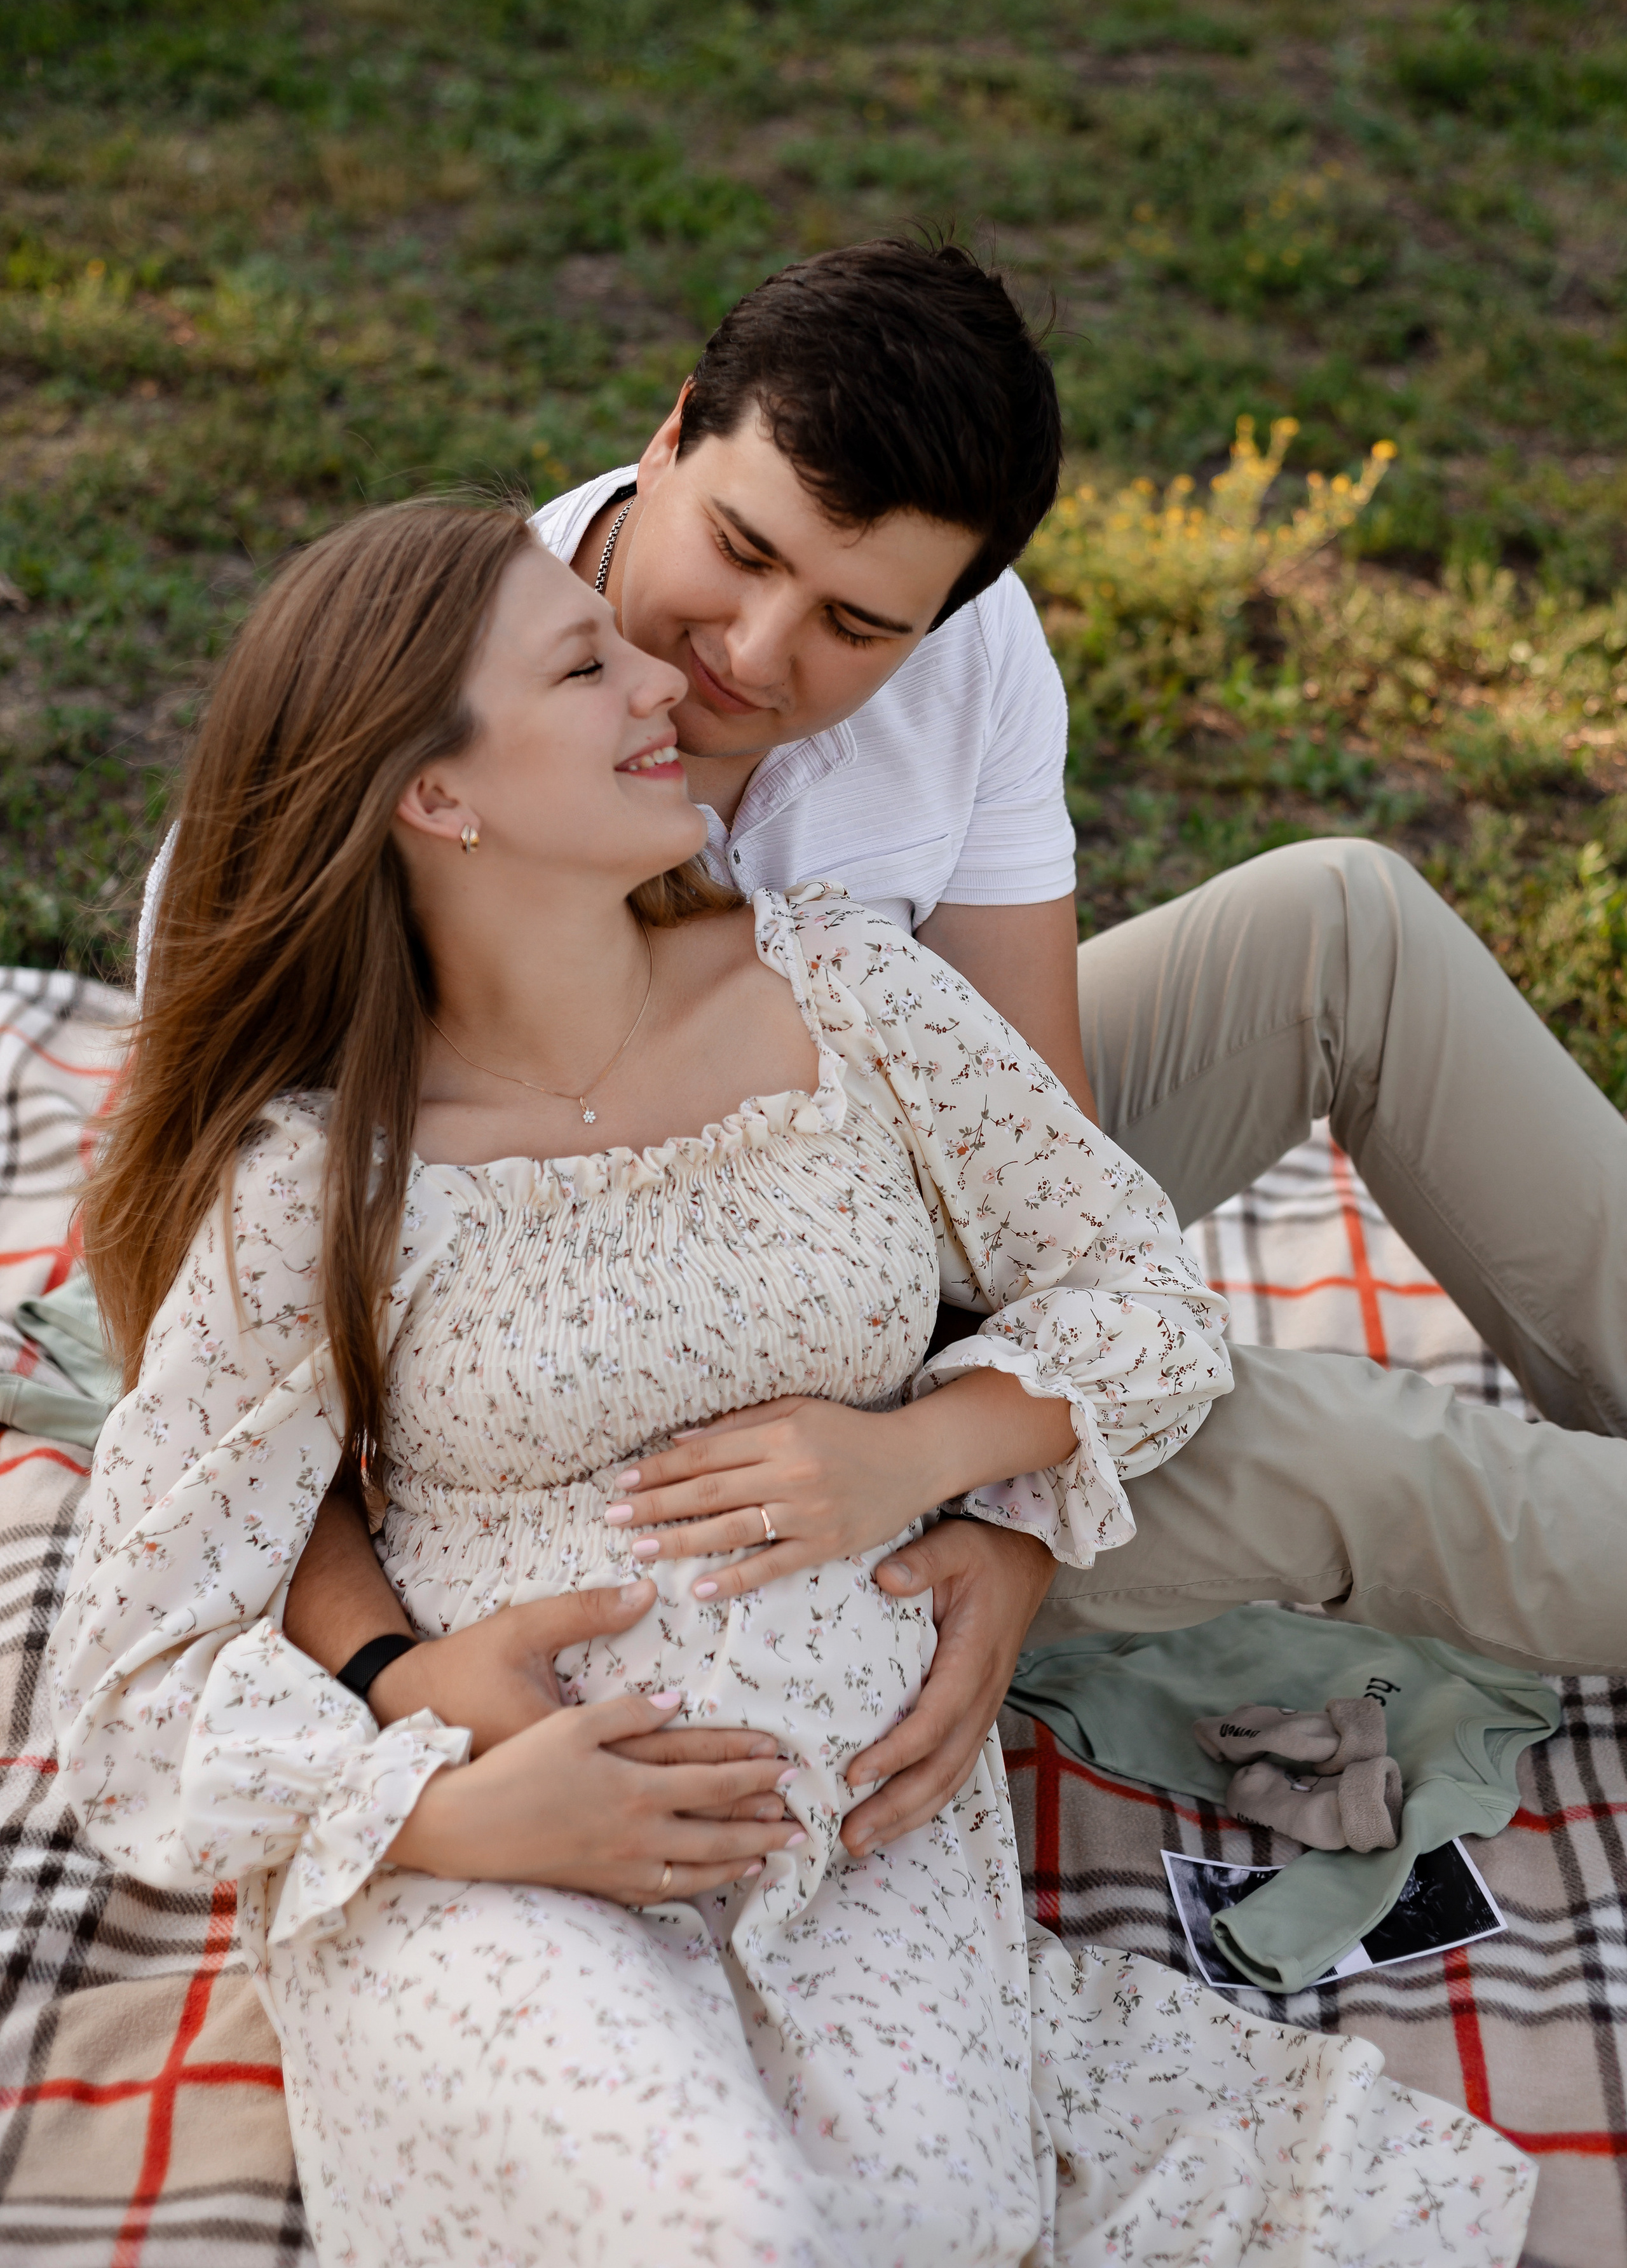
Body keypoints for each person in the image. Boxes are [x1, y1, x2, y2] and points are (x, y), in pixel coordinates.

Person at [52, 500, 1533, 2265]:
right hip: (499, 1848)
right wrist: (442, 1804)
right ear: (437, 796)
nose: (660, 684)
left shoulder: (840, 986)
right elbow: (133, 1665)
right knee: (720, 2227)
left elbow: (1136, 1287)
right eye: (583, 666)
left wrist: (927, 1458)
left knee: (924, 2228)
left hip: (860, 1848)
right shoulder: (325, 1173)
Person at [279, 237, 1627, 1869]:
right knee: (1352, 1455)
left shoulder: (964, 662)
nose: (753, 656)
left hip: (898, 1297)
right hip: (655, 1446)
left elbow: (1038, 1154)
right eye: (739, 550)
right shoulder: (408, 716)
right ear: (674, 431)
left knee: (1342, 920)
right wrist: (387, 1669)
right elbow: (212, 1376)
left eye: (857, 625)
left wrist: (1012, 1512)